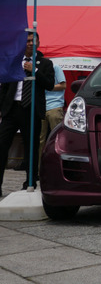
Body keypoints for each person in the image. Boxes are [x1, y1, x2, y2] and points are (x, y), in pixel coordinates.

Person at [0, 32, 55, 194]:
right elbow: (5, 87)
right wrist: (2, 108)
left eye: (33, 40)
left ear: (39, 42)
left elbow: (50, 85)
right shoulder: (13, 62)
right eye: (28, 41)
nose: (30, 43)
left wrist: (35, 71)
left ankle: (30, 182)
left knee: (31, 148)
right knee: (2, 145)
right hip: (11, 110)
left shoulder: (45, 63)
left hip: (31, 110)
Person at [39, 63, 67, 158]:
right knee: (39, 140)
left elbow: (63, 85)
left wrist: (47, 86)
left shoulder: (55, 67)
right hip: (40, 107)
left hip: (55, 105)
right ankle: (38, 169)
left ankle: (58, 166)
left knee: (58, 138)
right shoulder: (33, 68)